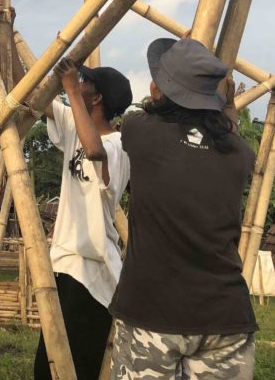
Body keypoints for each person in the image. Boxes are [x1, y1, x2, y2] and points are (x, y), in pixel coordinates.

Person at [109, 38, 256, 380]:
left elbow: (149, 113)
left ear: (159, 88)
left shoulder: (140, 131)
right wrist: (226, 103)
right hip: (225, 318)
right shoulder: (239, 154)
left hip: (152, 312)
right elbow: (228, 132)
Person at [34, 58, 133, 380]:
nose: (78, 84)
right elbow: (32, 94)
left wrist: (70, 92)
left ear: (97, 97)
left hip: (93, 269)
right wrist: (6, 27)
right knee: (47, 365)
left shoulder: (119, 146)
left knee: (80, 367)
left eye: (84, 82)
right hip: (65, 261)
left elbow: (93, 151)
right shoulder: (74, 123)